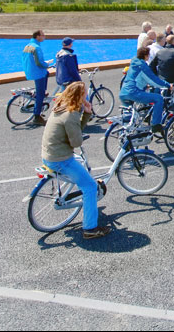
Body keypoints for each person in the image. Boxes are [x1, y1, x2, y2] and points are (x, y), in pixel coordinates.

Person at [40, 81, 110, 239]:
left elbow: (74, 132)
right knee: (90, 187)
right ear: (80, 96)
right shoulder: (70, 115)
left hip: (49, 155)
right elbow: (77, 142)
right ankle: (90, 229)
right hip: (60, 159)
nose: (87, 95)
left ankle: (87, 205)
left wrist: (86, 113)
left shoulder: (60, 106)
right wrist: (86, 114)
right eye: (84, 93)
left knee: (80, 168)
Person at [119, 46, 170, 136]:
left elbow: (136, 78)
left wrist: (144, 85)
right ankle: (156, 125)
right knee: (158, 99)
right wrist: (168, 85)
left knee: (128, 117)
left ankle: (125, 137)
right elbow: (153, 80)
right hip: (134, 92)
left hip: (123, 92)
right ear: (146, 56)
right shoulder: (142, 66)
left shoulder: (134, 63)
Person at [22, 29, 53, 126]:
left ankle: (43, 92)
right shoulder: (37, 48)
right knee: (40, 94)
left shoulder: (27, 46)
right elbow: (39, 63)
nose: (44, 37)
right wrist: (47, 64)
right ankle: (37, 116)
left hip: (30, 71)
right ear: (37, 36)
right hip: (38, 73)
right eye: (43, 35)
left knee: (46, 74)